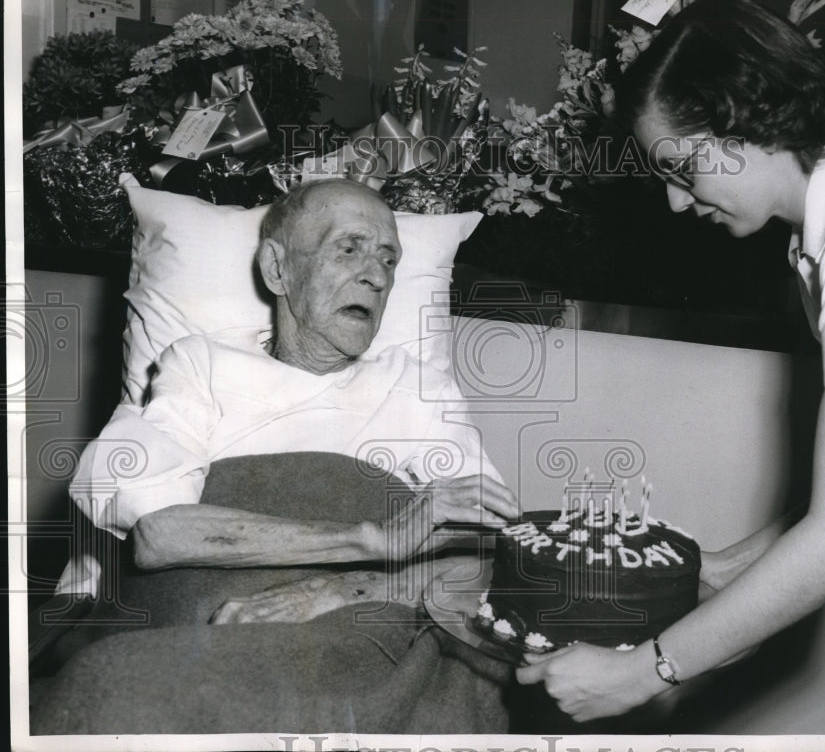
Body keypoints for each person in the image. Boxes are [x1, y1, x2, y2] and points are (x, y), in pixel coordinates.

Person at [517, 0, 825, 735]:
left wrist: (642, 671)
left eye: (681, 168)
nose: (672, 203)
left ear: (742, 120)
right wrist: (723, 569)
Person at [32, 178, 519, 734]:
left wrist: (346, 588)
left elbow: (490, 549)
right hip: (203, 624)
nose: (377, 275)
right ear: (278, 270)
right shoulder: (201, 364)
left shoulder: (418, 388)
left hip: (360, 631)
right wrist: (371, 538)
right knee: (113, 683)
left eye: (390, 258)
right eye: (350, 247)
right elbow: (159, 534)